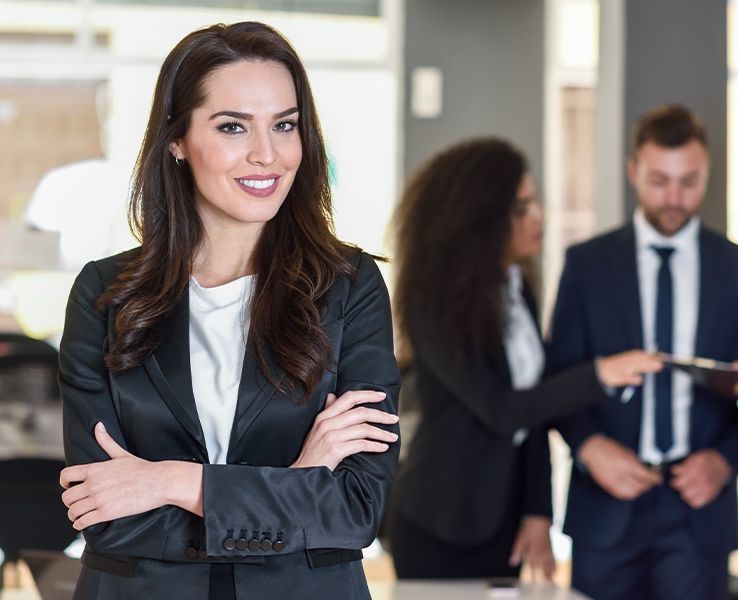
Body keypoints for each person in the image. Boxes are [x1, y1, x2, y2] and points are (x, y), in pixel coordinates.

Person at [57, 22, 400, 600]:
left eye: (285, 125)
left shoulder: (349, 286)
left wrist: (168, 480)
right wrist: (296, 484)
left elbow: (355, 508)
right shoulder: (106, 292)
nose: (266, 154)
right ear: (176, 140)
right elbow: (106, 513)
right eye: (233, 126)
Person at [385, 137, 661, 580]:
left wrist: (538, 513)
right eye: (521, 208)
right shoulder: (432, 307)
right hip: (441, 521)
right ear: (480, 221)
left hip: (505, 518)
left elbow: (535, 413)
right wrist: (600, 374)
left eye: (534, 202)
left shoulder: (517, 290)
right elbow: (502, 409)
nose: (540, 216)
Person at [548, 104, 738, 600]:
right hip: (604, 506)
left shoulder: (734, 267)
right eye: (659, 180)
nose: (674, 197)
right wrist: (589, 448)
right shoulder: (586, 264)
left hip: (701, 510)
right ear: (633, 171)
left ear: (708, 173)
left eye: (689, 181)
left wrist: (725, 460)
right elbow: (558, 379)